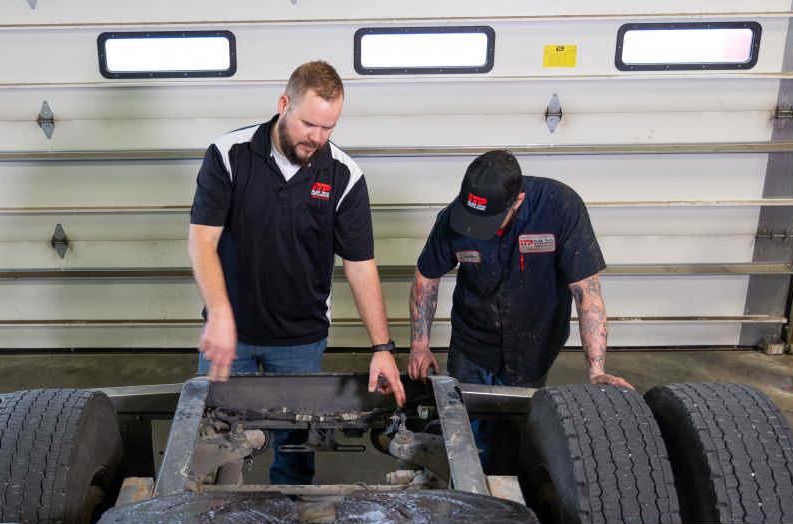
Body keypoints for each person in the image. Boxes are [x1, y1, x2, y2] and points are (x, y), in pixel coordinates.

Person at [189, 60, 405, 486]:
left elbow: (360, 265)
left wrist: (382, 346)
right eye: (309, 124)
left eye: (329, 128)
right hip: (231, 337)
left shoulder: (344, 175)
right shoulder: (229, 155)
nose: (317, 138)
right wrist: (219, 312)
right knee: (218, 450)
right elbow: (202, 241)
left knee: (295, 448)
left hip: (301, 340)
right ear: (284, 104)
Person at [407, 150, 631, 464]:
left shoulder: (560, 208)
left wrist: (596, 371)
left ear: (519, 200)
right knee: (460, 437)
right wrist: (419, 345)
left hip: (532, 348)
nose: (478, 228)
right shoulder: (453, 219)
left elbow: (587, 294)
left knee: (511, 443)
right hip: (471, 344)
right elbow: (426, 278)